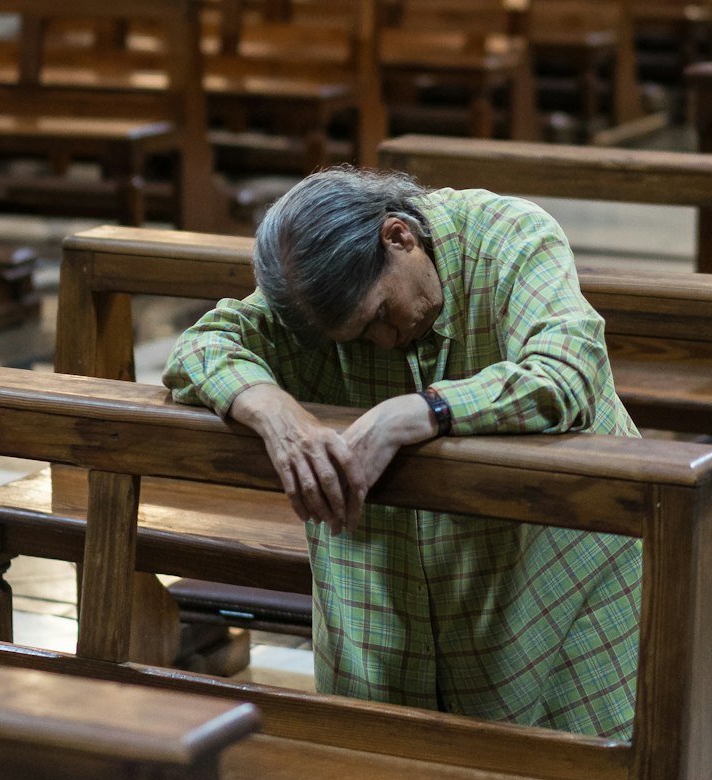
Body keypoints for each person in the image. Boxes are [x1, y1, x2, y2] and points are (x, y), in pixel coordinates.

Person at [164, 166, 641, 739]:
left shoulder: (510, 234)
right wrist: (275, 413)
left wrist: (417, 411)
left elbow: (567, 377)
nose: (384, 343)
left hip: (548, 577)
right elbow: (201, 346)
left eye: (380, 317)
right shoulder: (316, 292)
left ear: (399, 237)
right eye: (359, 340)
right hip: (384, 602)